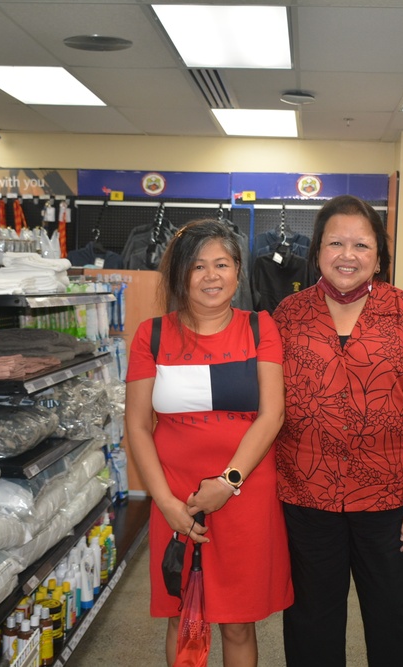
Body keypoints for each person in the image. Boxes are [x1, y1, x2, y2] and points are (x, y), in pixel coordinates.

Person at [272, 195, 403, 667]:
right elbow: (267, 409)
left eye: (361, 244)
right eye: (335, 242)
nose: (347, 255)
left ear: (379, 256)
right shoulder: (287, 317)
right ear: (316, 251)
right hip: (306, 498)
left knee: (394, 619)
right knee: (311, 622)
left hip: (391, 501)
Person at [125, 218, 293, 666]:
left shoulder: (261, 329)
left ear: (238, 272)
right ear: (181, 274)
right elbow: (138, 425)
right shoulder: (152, 335)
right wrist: (165, 503)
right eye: (198, 267)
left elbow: (271, 414)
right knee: (183, 616)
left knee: (238, 621)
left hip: (245, 492)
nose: (211, 276)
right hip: (175, 495)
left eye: (221, 264)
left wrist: (228, 481)